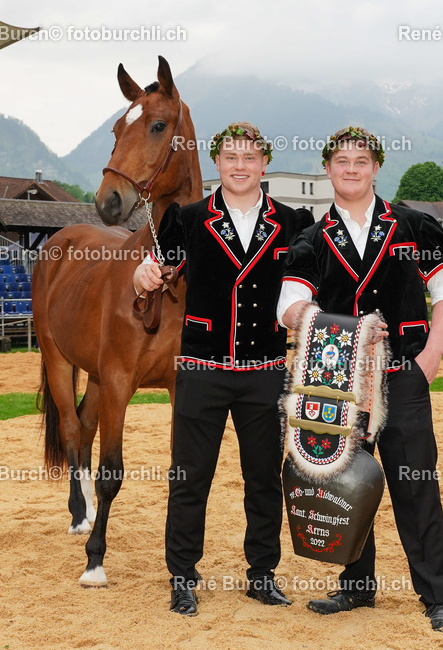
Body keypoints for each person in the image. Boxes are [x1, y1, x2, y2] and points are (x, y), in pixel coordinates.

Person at [278, 126, 443, 633]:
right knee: (345, 483)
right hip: (339, 382)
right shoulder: (311, 240)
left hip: (405, 374)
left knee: (415, 484)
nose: (351, 169)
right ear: (328, 169)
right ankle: (356, 588)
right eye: (341, 161)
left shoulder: (415, 226)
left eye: (361, 161)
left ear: (376, 167)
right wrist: (333, 325)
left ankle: (436, 595)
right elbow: (287, 308)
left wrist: (431, 356)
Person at [134, 122, 312, 617]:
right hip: (202, 368)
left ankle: (261, 574)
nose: (239, 165)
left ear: (264, 164)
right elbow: (153, 268)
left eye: (249, 157)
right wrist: (142, 273)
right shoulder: (187, 219)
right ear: (217, 163)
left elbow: (318, 277)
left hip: (267, 370)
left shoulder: (293, 222)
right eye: (230, 157)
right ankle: (183, 576)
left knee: (263, 478)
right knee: (190, 477)